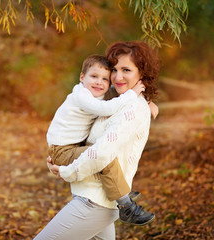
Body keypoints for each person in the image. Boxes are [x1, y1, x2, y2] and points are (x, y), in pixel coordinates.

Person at [35, 41, 159, 240]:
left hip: (94, 202)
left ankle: (127, 203)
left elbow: (101, 153)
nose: (118, 77)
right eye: (115, 70)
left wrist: (66, 171)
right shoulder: (112, 100)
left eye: (126, 70)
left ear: (141, 73)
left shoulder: (131, 107)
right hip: (94, 197)